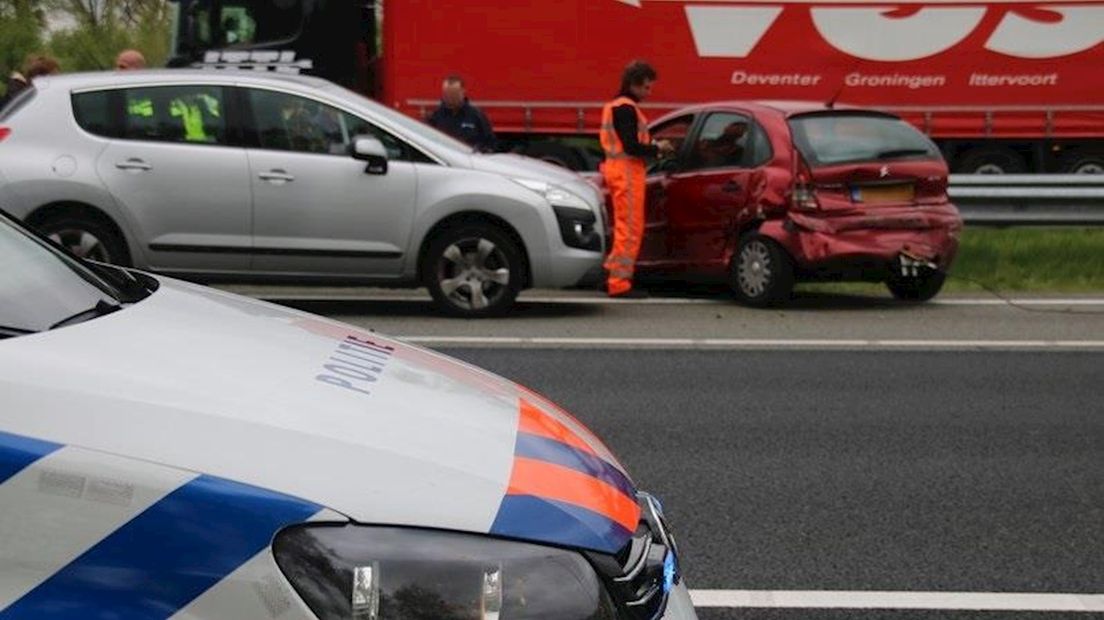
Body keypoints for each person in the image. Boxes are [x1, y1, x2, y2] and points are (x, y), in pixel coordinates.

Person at [599, 60, 674, 298]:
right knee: (630, 229)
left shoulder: (616, 106)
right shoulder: (626, 109)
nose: (648, 93)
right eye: (646, 87)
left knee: (623, 226)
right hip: (627, 174)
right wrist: (657, 148)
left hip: (619, 171)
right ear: (633, 84)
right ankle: (619, 283)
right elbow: (631, 146)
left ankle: (612, 276)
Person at [427, 75, 496, 152]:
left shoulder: (476, 115)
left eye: (454, 94)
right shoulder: (436, 116)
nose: (450, 98)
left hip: (468, 160)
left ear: (463, 91)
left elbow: (490, 143)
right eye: (447, 94)